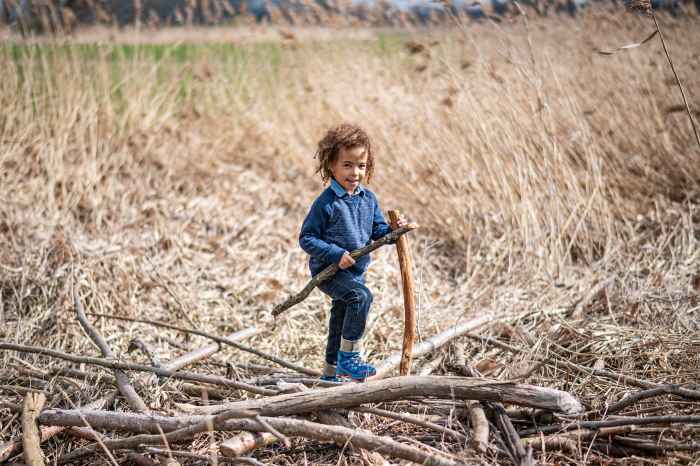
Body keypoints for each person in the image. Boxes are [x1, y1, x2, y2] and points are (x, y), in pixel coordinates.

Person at [299, 123, 407, 382]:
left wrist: (393, 231)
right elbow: (307, 238)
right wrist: (335, 254)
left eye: (361, 165)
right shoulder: (327, 203)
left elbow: (378, 231)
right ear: (331, 166)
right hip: (329, 270)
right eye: (347, 165)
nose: (355, 172)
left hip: (355, 271)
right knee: (361, 297)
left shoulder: (368, 199)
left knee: (340, 315)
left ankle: (330, 373)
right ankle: (349, 359)